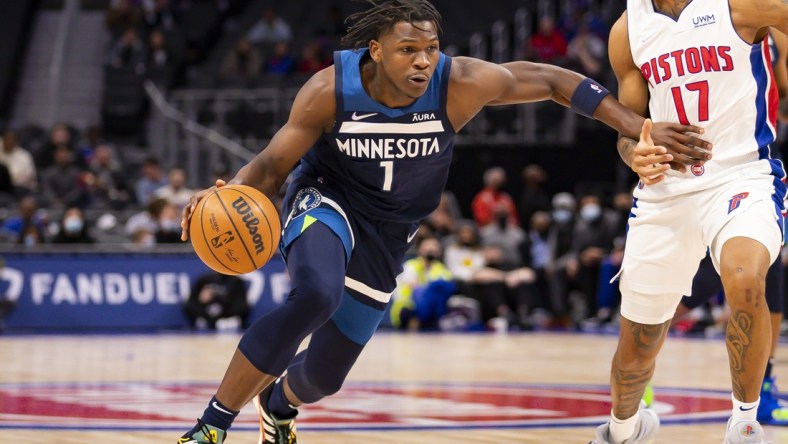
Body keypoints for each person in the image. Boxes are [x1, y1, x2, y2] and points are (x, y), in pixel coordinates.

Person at [177, 1, 712, 443]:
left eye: (430, 49)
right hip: (329, 202)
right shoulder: (330, 90)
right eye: (408, 50)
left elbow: (552, 79)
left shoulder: (459, 84)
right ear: (376, 51)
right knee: (317, 293)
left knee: (322, 378)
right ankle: (211, 426)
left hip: (390, 234)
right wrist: (228, 195)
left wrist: (639, 125)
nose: (422, 62)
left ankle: (278, 402)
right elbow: (272, 167)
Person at [592, 2, 788, 444]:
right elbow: (629, 129)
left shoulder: (740, 5)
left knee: (746, 279)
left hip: (741, 176)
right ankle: (622, 430)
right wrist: (635, 155)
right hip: (665, 192)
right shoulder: (628, 28)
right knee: (638, 346)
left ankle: (745, 425)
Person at [183, 271, 250, 331]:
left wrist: (225, 298)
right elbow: (190, 304)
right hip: (205, 319)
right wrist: (201, 300)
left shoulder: (235, 282)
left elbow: (243, 305)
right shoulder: (203, 280)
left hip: (228, 321)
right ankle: (205, 322)